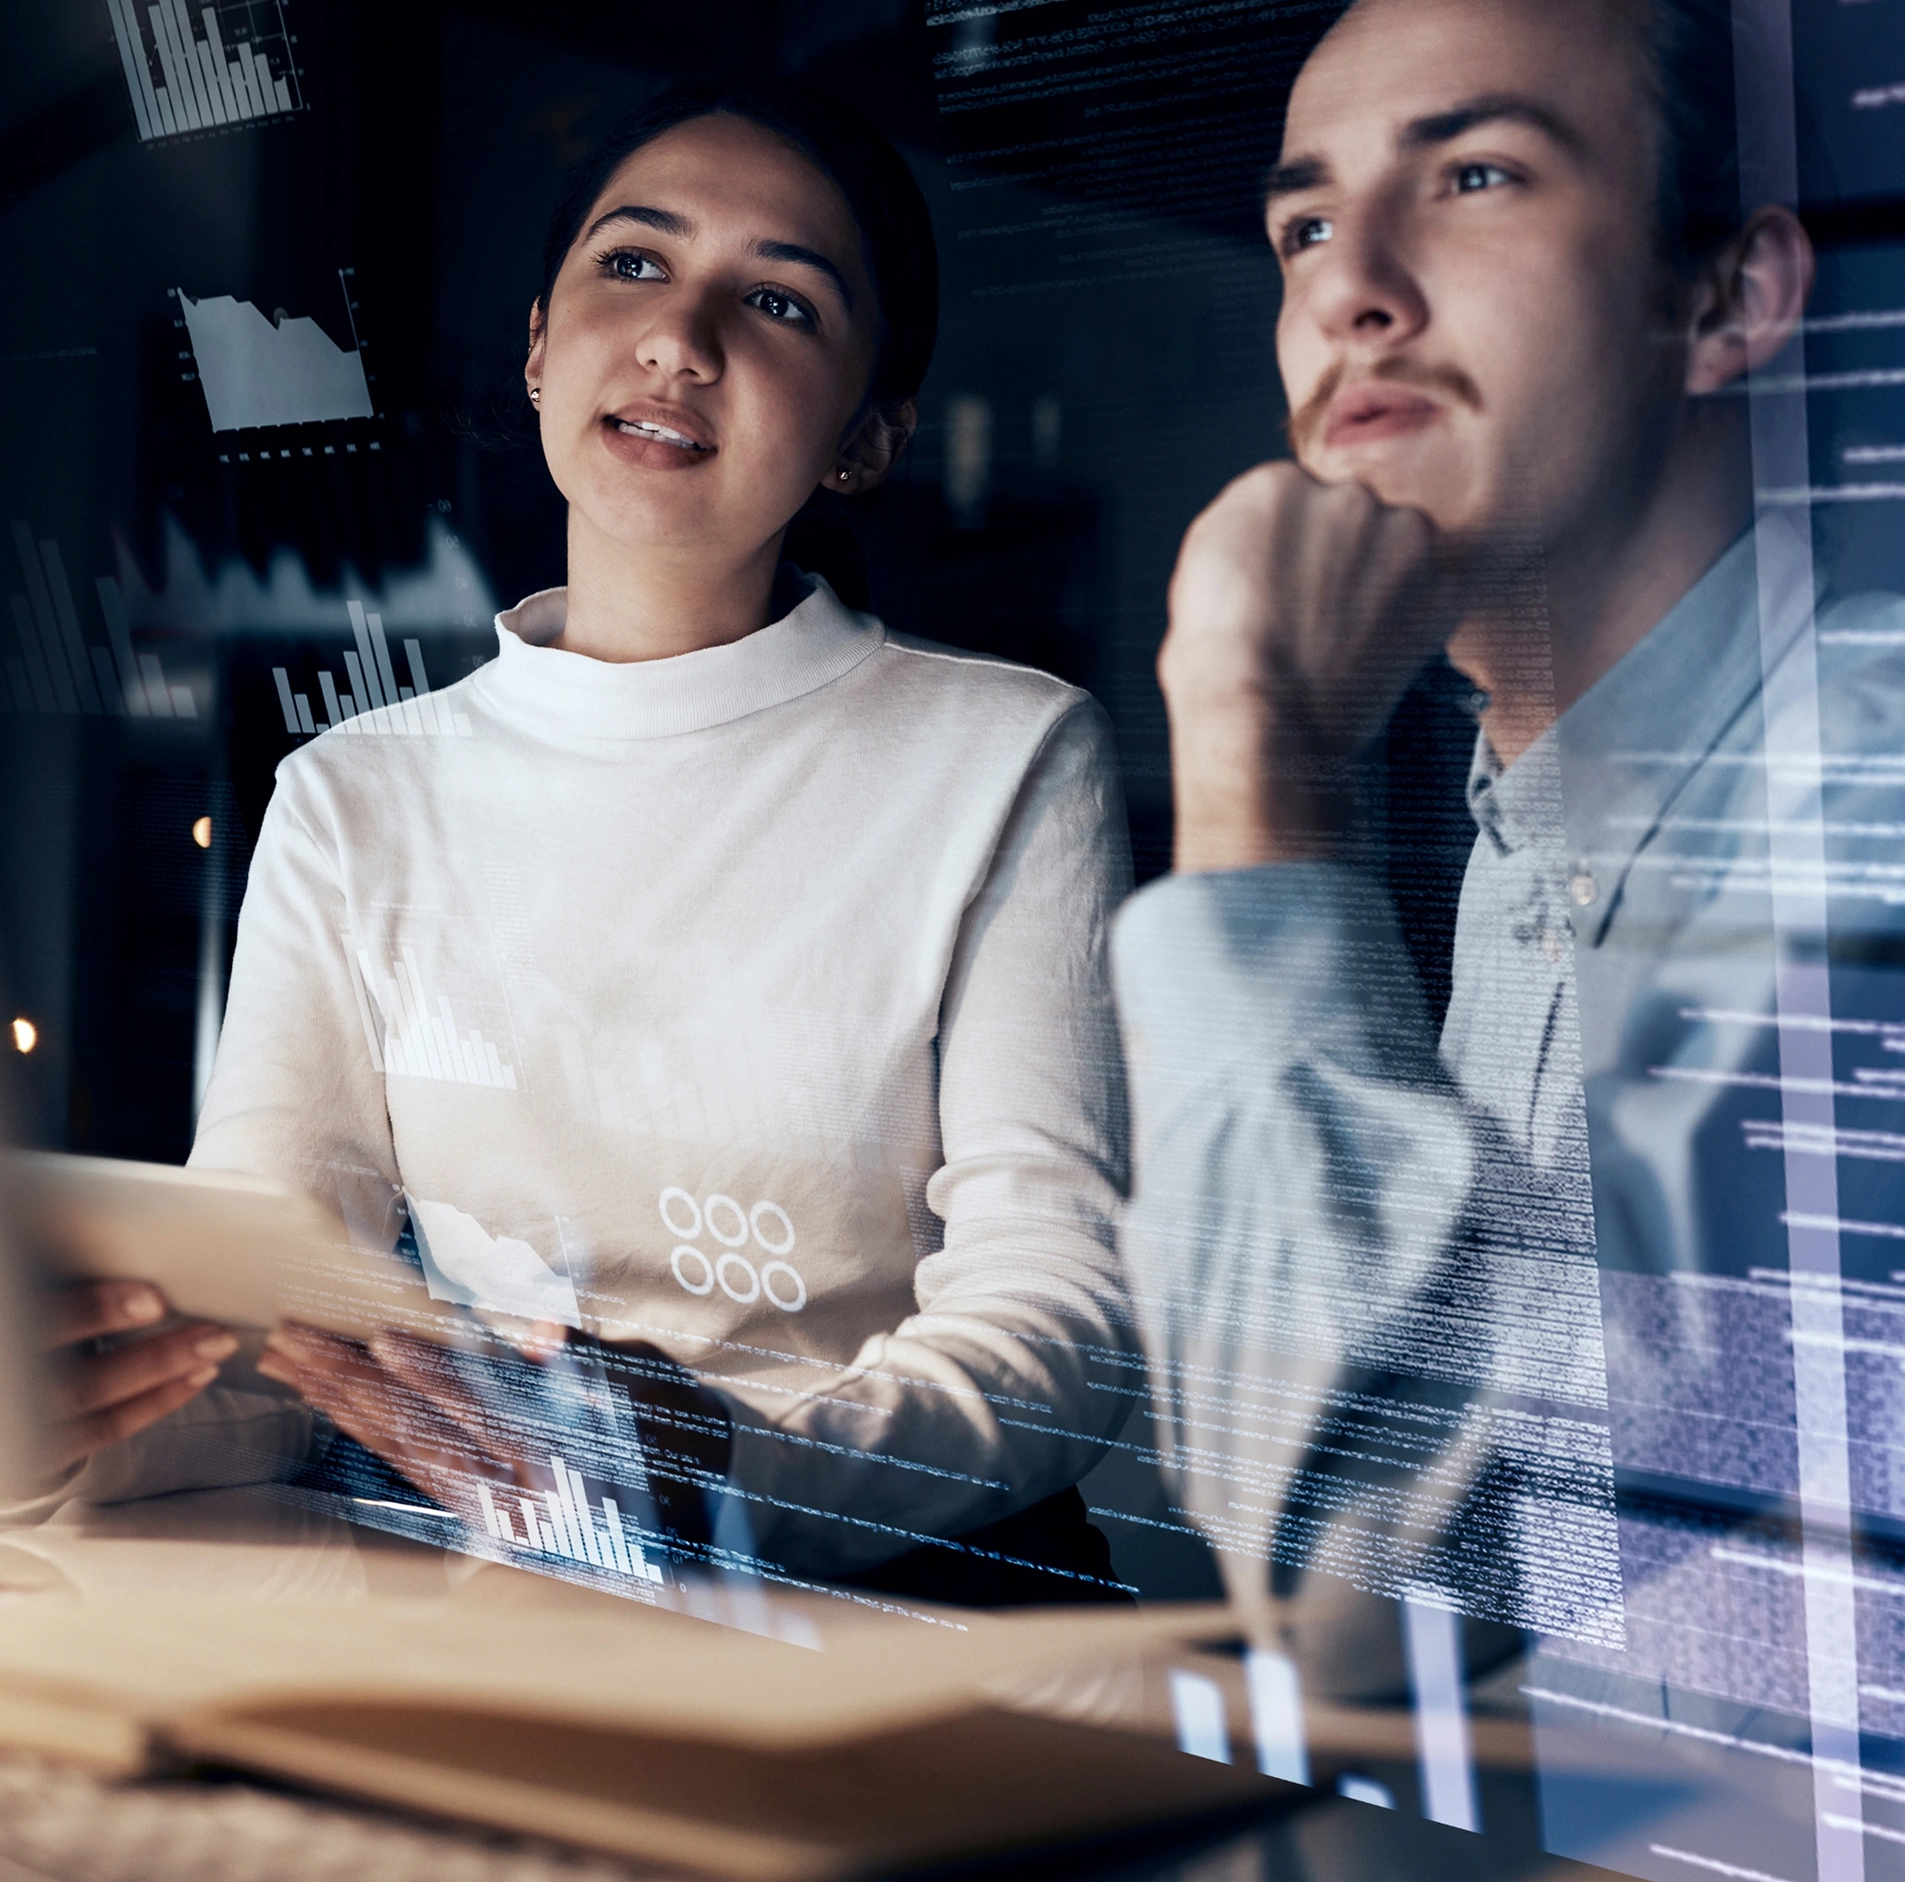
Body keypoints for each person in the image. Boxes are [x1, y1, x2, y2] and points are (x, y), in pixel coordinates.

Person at [17, 82, 1138, 1605]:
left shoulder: (1006, 750)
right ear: (540, 345)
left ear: (869, 433)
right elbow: (284, 1350)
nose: (682, 336)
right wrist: (56, 1422)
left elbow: (1058, 1322)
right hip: (490, 1587)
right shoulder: (358, 792)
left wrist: (722, 1465)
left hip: (889, 1602)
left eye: (778, 299)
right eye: (633, 263)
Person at [1114, 0, 1905, 1695]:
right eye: (1304, 225)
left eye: (1473, 174)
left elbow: (1371, 1600)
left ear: (1726, 298)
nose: (1348, 290)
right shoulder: (1525, 824)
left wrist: (1253, 742)